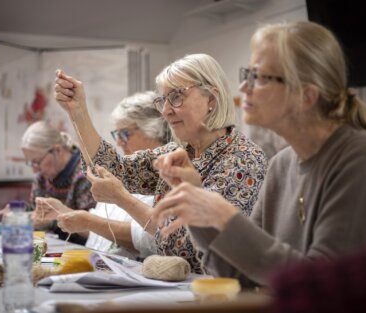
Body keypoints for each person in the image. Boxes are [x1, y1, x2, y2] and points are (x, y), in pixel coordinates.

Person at [152, 21, 366, 286]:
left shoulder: (362, 159)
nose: (244, 88)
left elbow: (324, 287)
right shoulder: (281, 165)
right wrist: (197, 206)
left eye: (259, 78)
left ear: (306, 96)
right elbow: (239, 275)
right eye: (247, 74)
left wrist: (226, 217)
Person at [54, 54, 267, 273]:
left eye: (176, 96)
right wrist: (77, 111)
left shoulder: (242, 159)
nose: (165, 110)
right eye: (163, 99)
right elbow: (109, 168)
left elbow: (187, 247)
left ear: (211, 98)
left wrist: (121, 198)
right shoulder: (179, 152)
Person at [56, 91, 169, 258]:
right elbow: (99, 231)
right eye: (116, 134)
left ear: (153, 129)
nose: (118, 142)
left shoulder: (168, 172)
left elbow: (151, 238)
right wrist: (62, 212)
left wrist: (89, 221)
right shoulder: (124, 172)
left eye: (124, 134)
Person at [0, 121, 96, 244]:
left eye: (36, 162)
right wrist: (21, 211)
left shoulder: (85, 174)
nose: (34, 169)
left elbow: (93, 232)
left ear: (57, 150)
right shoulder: (42, 176)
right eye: (30, 163)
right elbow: (38, 211)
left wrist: (52, 222)